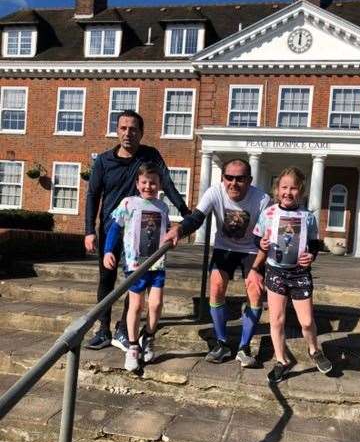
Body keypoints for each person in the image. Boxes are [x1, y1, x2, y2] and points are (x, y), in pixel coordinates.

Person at [84, 109, 190, 350]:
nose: (128, 133)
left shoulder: (150, 156)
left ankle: (124, 328)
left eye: (133, 129)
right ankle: (103, 328)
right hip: (113, 228)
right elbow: (92, 196)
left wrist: (186, 213)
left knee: (134, 279)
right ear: (117, 130)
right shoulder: (103, 161)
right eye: (123, 128)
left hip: (142, 234)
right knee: (107, 279)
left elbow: (167, 183)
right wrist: (89, 230)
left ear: (141, 133)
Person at [164, 158, 271, 368]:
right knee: (216, 286)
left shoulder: (262, 199)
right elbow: (196, 218)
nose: (234, 183)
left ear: (249, 180)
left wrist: (259, 266)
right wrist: (179, 229)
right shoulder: (214, 192)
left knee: (256, 290)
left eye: (240, 179)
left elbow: (268, 233)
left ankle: (244, 347)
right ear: (223, 178)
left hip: (251, 249)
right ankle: (221, 343)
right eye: (229, 178)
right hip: (224, 248)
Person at [248, 166, 332, 384]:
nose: (288, 192)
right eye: (284, 187)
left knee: (306, 321)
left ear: (301, 191)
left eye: (293, 188)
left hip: (299, 273)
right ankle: (281, 360)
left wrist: (311, 256)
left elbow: (314, 243)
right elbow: (257, 237)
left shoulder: (308, 217)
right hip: (275, 271)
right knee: (276, 320)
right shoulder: (269, 213)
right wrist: (262, 243)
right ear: (277, 190)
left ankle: (314, 350)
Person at [103, 165, 169, 371]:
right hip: (135, 264)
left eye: (153, 183)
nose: (149, 186)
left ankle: (148, 337)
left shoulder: (163, 207)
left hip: (157, 263)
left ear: (159, 185)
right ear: (138, 184)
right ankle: (132, 347)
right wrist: (108, 251)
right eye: (144, 182)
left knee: (156, 304)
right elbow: (115, 227)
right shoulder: (129, 203)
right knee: (136, 305)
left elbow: (165, 233)